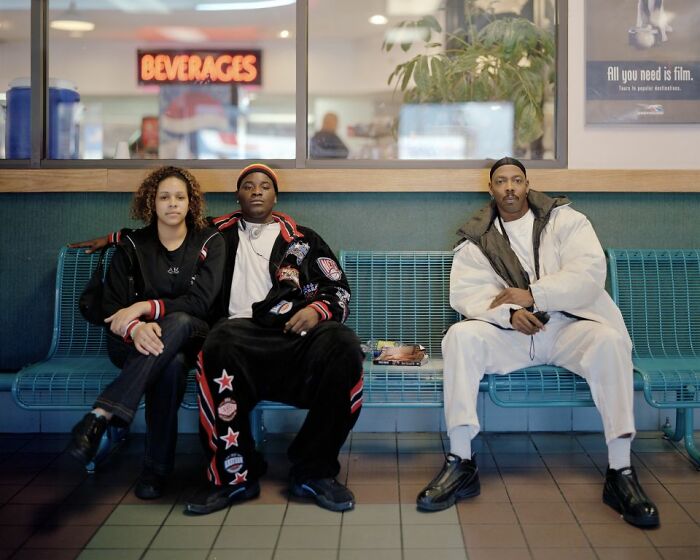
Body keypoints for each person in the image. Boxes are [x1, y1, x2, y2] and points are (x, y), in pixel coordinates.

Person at [71, 163, 364, 514]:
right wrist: (116, 239)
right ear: (237, 195)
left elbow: (337, 288)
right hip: (234, 334)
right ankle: (233, 475)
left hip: (291, 332)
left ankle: (314, 471)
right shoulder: (214, 232)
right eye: (248, 186)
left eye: (265, 185)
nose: (256, 191)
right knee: (216, 346)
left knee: (344, 346)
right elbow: (163, 230)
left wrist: (318, 311)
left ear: (275, 195)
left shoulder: (302, 239)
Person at [417, 157, 660, 528]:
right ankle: (461, 462)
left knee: (609, 341)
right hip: (511, 335)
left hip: (569, 326)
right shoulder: (477, 237)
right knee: (459, 337)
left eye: (517, 180)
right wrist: (510, 314)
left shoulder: (566, 220)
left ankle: (620, 471)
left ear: (528, 185)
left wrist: (534, 295)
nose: (510, 188)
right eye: (501, 181)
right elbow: (467, 294)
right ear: (491, 189)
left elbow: (588, 274)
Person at [68, 166, 225, 499]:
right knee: (168, 365)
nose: (172, 204)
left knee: (179, 323)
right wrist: (136, 329)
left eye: (180, 197)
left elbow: (199, 303)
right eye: (164, 197)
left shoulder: (209, 241)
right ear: (150, 203)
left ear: (191, 202)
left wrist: (142, 309)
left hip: (192, 333)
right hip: (131, 341)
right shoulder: (131, 246)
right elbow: (112, 309)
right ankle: (155, 471)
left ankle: (101, 414)